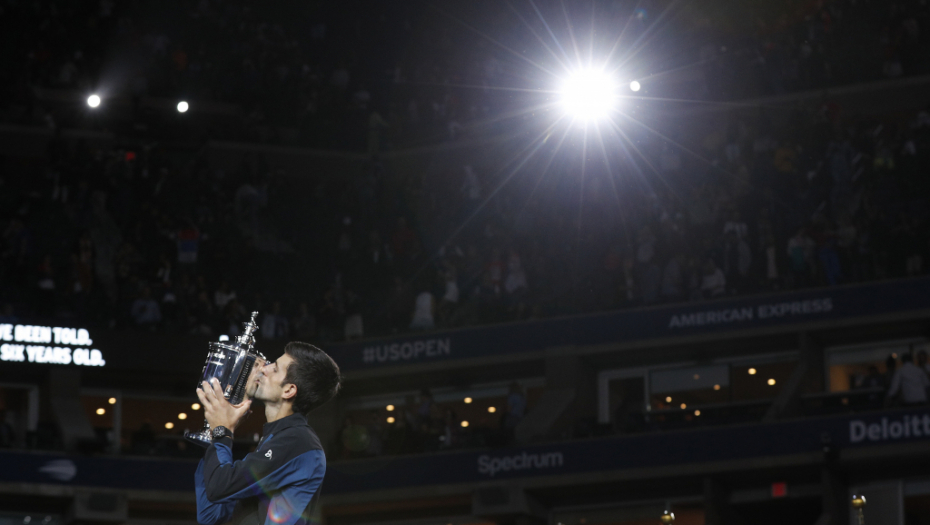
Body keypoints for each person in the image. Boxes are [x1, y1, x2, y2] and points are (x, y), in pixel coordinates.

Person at [194, 342, 342, 525]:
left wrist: (222, 432)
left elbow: (219, 487)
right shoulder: (276, 439)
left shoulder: (298, 443)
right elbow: (211, 515)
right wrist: (214, 432)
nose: (264, 368)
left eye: (275, 368)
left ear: (289, 390)